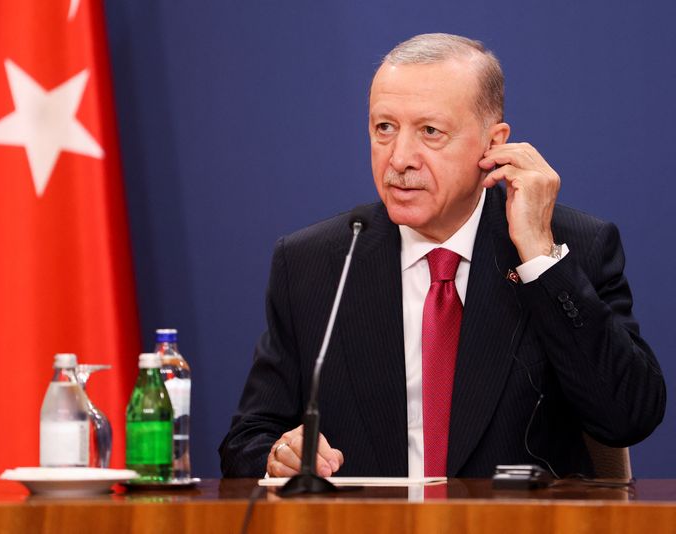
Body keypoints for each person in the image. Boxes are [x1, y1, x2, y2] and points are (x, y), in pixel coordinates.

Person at [218, 33, 666, 479]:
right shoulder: (314, 263)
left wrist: (540, 258)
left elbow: (627, 416)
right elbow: (247, 439)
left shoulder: (574, 247)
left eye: (430, 132)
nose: (399, 158)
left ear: (493, 145)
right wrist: (280, 456)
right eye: (384, 128)